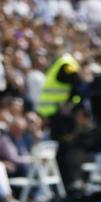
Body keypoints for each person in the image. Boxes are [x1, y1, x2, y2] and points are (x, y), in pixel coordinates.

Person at [37, 48, 85, 193]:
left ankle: (70, 184)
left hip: (61, 117)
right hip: (57, 117)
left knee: (67, 150)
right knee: (64, 151)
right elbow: (77, 85)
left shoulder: (64, 64)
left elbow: (78, 85)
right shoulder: (62, 64)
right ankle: (67, 185)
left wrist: (71, 104)